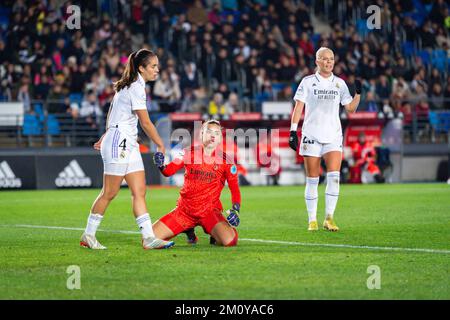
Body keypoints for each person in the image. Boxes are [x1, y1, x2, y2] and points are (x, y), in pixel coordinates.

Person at [80, 49, 174, 250]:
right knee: (110, 192)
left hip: (126, 141)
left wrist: (107, 133)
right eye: (153, 66)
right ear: (141, 68)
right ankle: (88, 235)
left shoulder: (131, 85)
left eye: (157, 65)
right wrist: (160, 144)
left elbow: (113, 113)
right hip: (119, 142)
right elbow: (146, 123)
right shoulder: (136, 88)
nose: (157, 70)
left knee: (139, 191)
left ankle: (148, 238)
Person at [289, 47, 361, 232]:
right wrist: (292, 131)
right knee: (313, 179)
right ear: (317, 61)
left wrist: (358, 94)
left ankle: (329, 218)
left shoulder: (340, 83)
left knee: (334, 177)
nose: (329, 62)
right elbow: (298, 108)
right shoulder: (307, 82)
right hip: (311, 135)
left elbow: (350, 109)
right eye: (325, 59)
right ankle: (312, 219)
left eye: (331, 59)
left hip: (333, 136)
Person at [151, 120, 241, 246]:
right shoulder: (188, 152)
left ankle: (214, 232)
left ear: (220, 138)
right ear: (202, 134)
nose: (213, 135)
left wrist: (235, 210)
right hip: (184, 211)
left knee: (230, 241)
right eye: (209, 132)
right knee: (150, 238)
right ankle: (188, 229)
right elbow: (168, 171)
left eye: (217, 133)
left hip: (209, 212)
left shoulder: (226, 161)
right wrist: (160, 164)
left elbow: (234, 188)